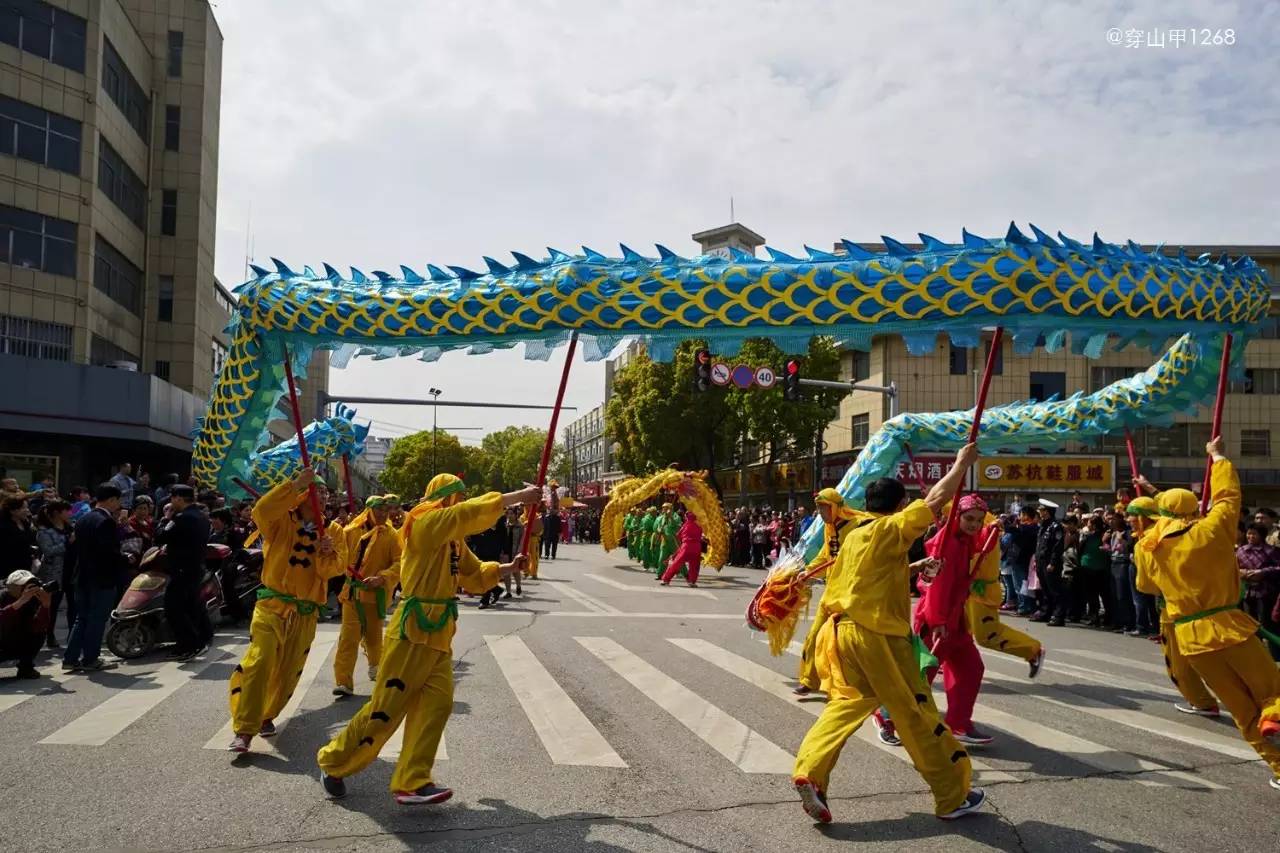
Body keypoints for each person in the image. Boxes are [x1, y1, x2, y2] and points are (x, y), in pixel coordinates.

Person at [791, 444, 985, 825]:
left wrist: (915, 567)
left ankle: (810, 773)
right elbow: (934, 500)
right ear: (899, 507)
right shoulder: (893, 527)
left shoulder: (855, 536)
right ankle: (951, 794)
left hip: (842, 632)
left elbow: (871, 576)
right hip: (880, 637)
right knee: (916, 712)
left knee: (848, 704)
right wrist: (962, 463)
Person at [317, 476, 537, 804]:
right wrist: (518, 496)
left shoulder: (453, 541)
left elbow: (474, 576)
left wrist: (507, 568)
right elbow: (464, 515)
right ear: (443, 499)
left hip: (439, 634)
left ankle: (412, 780)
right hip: (411, 633)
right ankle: (333, 762)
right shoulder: (422, 522)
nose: (460, 502)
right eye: (457, 496)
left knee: (438, 704)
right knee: (385, 709)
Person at [1134, 439, 1280, 789]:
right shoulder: (1211, 529)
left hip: (1191, 638)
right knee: (1271, 690)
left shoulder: (1147, 546)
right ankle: (1272, 719)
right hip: (1228, 625)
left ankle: (1277, 764)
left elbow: (1147, 588)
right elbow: (1229, 496)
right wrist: (1217, 458)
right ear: (1191, 509)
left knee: (1240, 709)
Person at [226, 468, 347, 753]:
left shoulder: (334, 530)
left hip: (305, 612)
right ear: (304, 494)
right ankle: (244, 730)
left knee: (288, 670)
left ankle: (267, 713)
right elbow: (261, 511)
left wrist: (328, 552)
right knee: (260, 660)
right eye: (318, 490)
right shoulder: (281, 520)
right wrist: (293, 485)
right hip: (272, 604)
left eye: (327, 492)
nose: (324, 495)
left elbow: (334, 570)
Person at [794, 489, 873, 698]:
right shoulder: (830, 528)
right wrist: (807, 571)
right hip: (832, 591)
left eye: (825, 507)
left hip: (852, 594)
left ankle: (852, 686)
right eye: (819, 507)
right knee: (814, 636)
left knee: (846, 643)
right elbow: (824, 556)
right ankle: (808, 680)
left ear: (836, 507)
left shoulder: (859, 524)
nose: (821, 511)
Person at [333, 496, 402, 698]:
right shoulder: (351, 532)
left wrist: (382, 578)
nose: (382, 514)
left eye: (385, 510)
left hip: (375, 596)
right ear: (369, 511)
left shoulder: (392, 535)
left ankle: (375, 666)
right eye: (378, 510)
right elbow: (336, 553)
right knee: (348, 639)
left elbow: (400, 563)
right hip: (353, 594)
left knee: (373, 639)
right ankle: (343, 682)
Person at [62, 484, 129, 672]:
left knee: (81, 618)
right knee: (97, 619)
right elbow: (108, 552)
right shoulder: (105, 521)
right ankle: (91, 658)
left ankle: (70, 658)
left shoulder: (84, 518)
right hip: (101, 577)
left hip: (82, 576)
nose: (119, 505)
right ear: (111, 500)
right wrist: (125, 558)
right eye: (118, 500)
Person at [155, 485, 212, 661]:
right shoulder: (201, 516)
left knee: (174, 609)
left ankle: (191, 645)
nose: (171, 502)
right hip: (195, 568)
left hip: (182, 570)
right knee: (191, 607)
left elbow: (161, 537)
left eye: (172, 498)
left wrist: (165, 519)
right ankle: (196, 642)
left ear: (179, 498)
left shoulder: (182, 518)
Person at [1236, 522, 1280, 660]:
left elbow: (1278, 567)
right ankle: (1256, 656)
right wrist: (1241, 572)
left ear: (1262, 535)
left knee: (1267, 624)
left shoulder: (1271, 551)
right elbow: (1233, 566)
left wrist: (1262, 572)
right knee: (1250, 624)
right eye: (1249, 533)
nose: (1250, 536)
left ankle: (1275, 656)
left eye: (1254, 533)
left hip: (1265, 592)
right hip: (1248, 592)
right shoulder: (1241, 550)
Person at [34, 500, 73, 648]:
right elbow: (48, 551)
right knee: (52, 606)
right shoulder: (44, 532)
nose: (70, 513)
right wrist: (67, 543)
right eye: (66, 510)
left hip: (71, 572)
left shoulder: (71, 527)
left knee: (73, 605)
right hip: (53, 574)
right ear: (57, 513)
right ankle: (49, 635)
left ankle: (72, 635)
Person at [0, 569, 51, 678]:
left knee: (39, 634)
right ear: (11, 586)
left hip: (13, 642)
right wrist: (20, 601)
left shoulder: (32, 600)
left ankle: (26, 667)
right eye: (24, 585)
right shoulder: (2, 596)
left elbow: (39, 626)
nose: (29, 588)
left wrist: (45, 606)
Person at [1031, 500, 1065, 625]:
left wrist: (1053, 562)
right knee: (1045, 589)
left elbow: (1057, 546)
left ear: (1048, 511)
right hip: (1041, 561)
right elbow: (1040, 544)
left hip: (1050, 563)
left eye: (1042, 510)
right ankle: (1046, 612)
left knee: (1054, 589)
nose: (1040, 512)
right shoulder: (1043, 525)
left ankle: (1058, 615)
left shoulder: (1056, 527)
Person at [660, 511, 703, 587]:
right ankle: (692, 581)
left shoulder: (685, 525)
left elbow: (678, 535)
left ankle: (666, 579)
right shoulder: (699, 526)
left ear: (687, 517)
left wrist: (679, 544)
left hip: (686, 546)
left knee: (676, 563)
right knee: (694, 565)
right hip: (697, 547)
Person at [0, 497, 36, 575]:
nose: (27, 510)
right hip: (10, 566)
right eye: (23, 508)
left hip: (26, 564)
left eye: (27, 507)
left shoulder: (25, 522)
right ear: (13, 511)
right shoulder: (3, 527)